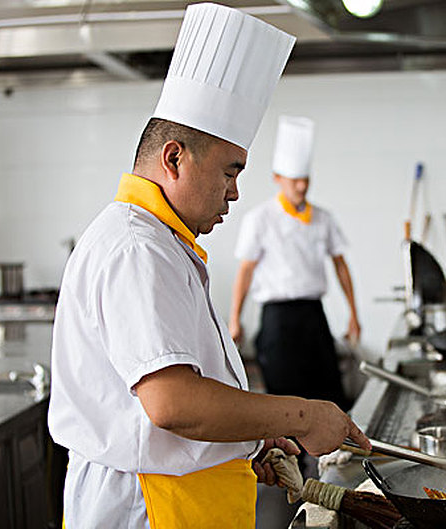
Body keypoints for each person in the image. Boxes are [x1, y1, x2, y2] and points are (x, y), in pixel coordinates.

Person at [47, 4, 370, 528]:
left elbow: (182, 400)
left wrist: (245, 438)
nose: (235, 192)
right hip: (150, 507)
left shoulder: (162, 242)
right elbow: (174, 404)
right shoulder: (137, 247)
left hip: (182, 499)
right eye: (229, 171)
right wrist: (306, 415)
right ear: (174, 158)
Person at [229, 116, 361, 412]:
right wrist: (235, 319)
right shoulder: (259, 219)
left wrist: (354, 314)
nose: (302, 186)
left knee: (329, 397)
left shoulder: (323, 218)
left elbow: (340, 266)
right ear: (277, 178)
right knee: (286, 405)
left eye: (306, 179)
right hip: (278, 321)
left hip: (314, 317)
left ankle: (335, 445)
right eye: (294, 180)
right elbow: (246, 270)